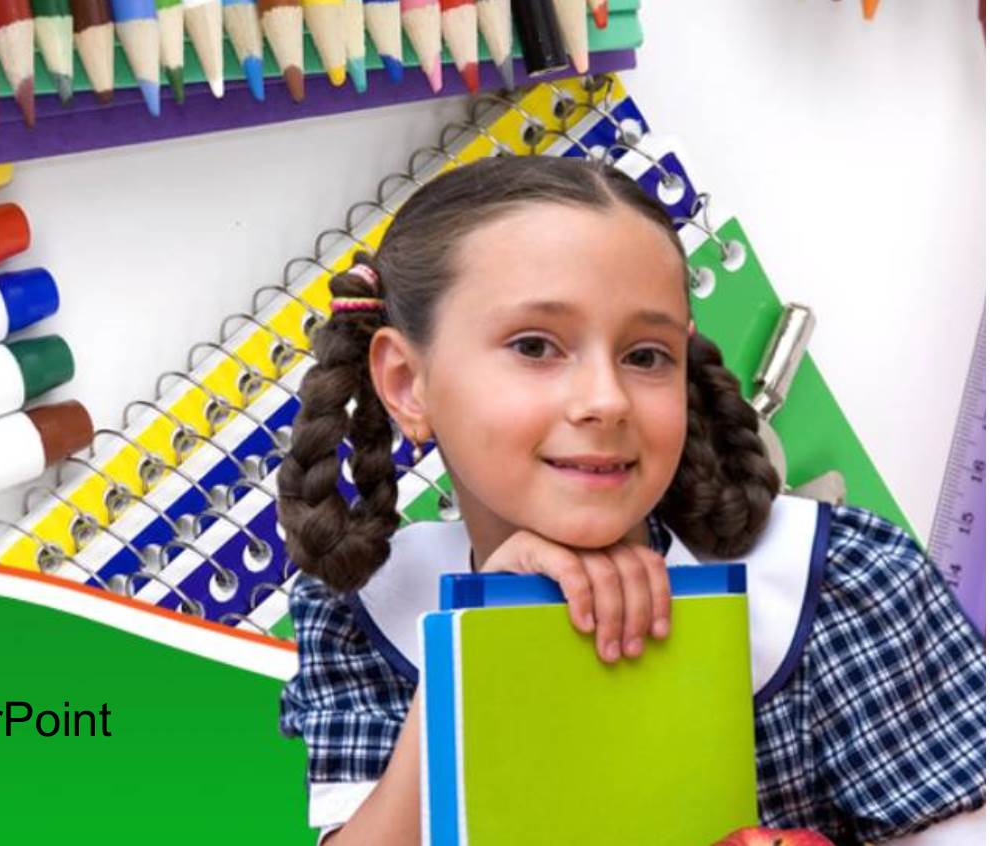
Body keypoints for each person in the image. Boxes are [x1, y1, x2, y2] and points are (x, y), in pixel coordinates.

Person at [275, 155, 986, 845]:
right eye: (535, 346)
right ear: (406, 384)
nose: (606, 400)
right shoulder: (363, 610)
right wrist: (468, 658)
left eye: (645, 356)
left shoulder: (839, 583)